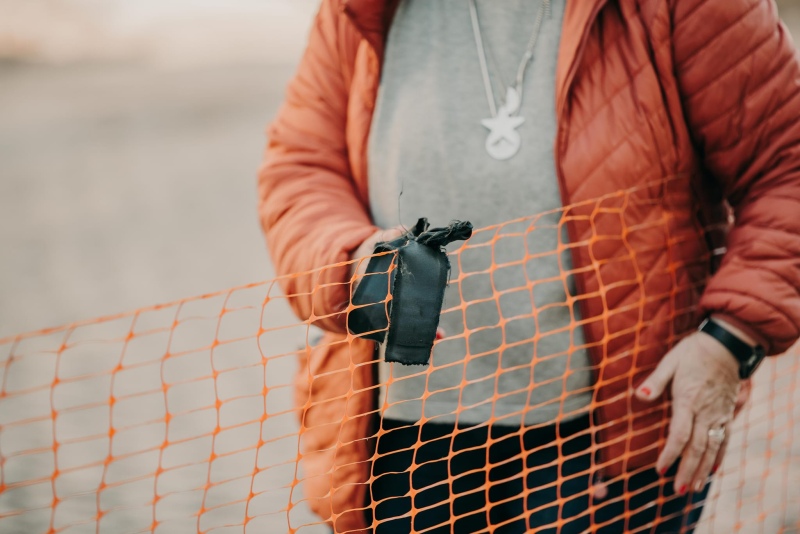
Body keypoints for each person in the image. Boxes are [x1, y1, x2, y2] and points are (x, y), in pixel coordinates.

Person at [258, 0, 800, 532]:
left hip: (611, 444)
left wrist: (731, 340)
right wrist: (352, 268)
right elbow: (300, 169)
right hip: (401, 442)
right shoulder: (358, 9)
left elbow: (787, 167)